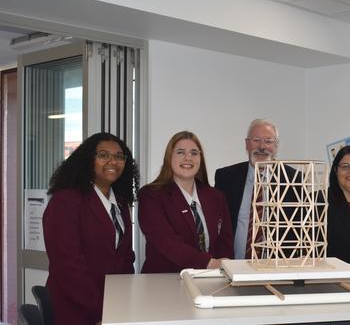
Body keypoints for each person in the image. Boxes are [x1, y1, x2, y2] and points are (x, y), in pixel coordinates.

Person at [43, 132, 139, 325]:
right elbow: (68, 266)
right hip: (75, 309)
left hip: (112, 306)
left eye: (119, 156)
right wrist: (100, 310)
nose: (113, 161)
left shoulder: (120, 203)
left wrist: (127, 301)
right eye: (103, 155)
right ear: (88, 160)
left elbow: (126, 256)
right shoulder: (66, 201)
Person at [139, 131, 233, 272]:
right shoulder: (151, 196)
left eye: (194, 153)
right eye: (180, 152)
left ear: (200, 158)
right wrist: (210, 263)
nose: (188, 158)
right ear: (169, 158)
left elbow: (225, 243)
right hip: (164, 282)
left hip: (210, 280)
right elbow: (166, 241)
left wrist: (224, 269)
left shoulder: (216, 197)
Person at [214, 118, 281, 259]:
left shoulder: (294, 179)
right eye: (256, 140)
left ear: (275, 147)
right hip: (232, 267)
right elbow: (216, 224)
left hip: (277, 269)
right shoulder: (225, 177)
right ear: (246, 144)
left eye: (268, 141)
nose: (262, 146)